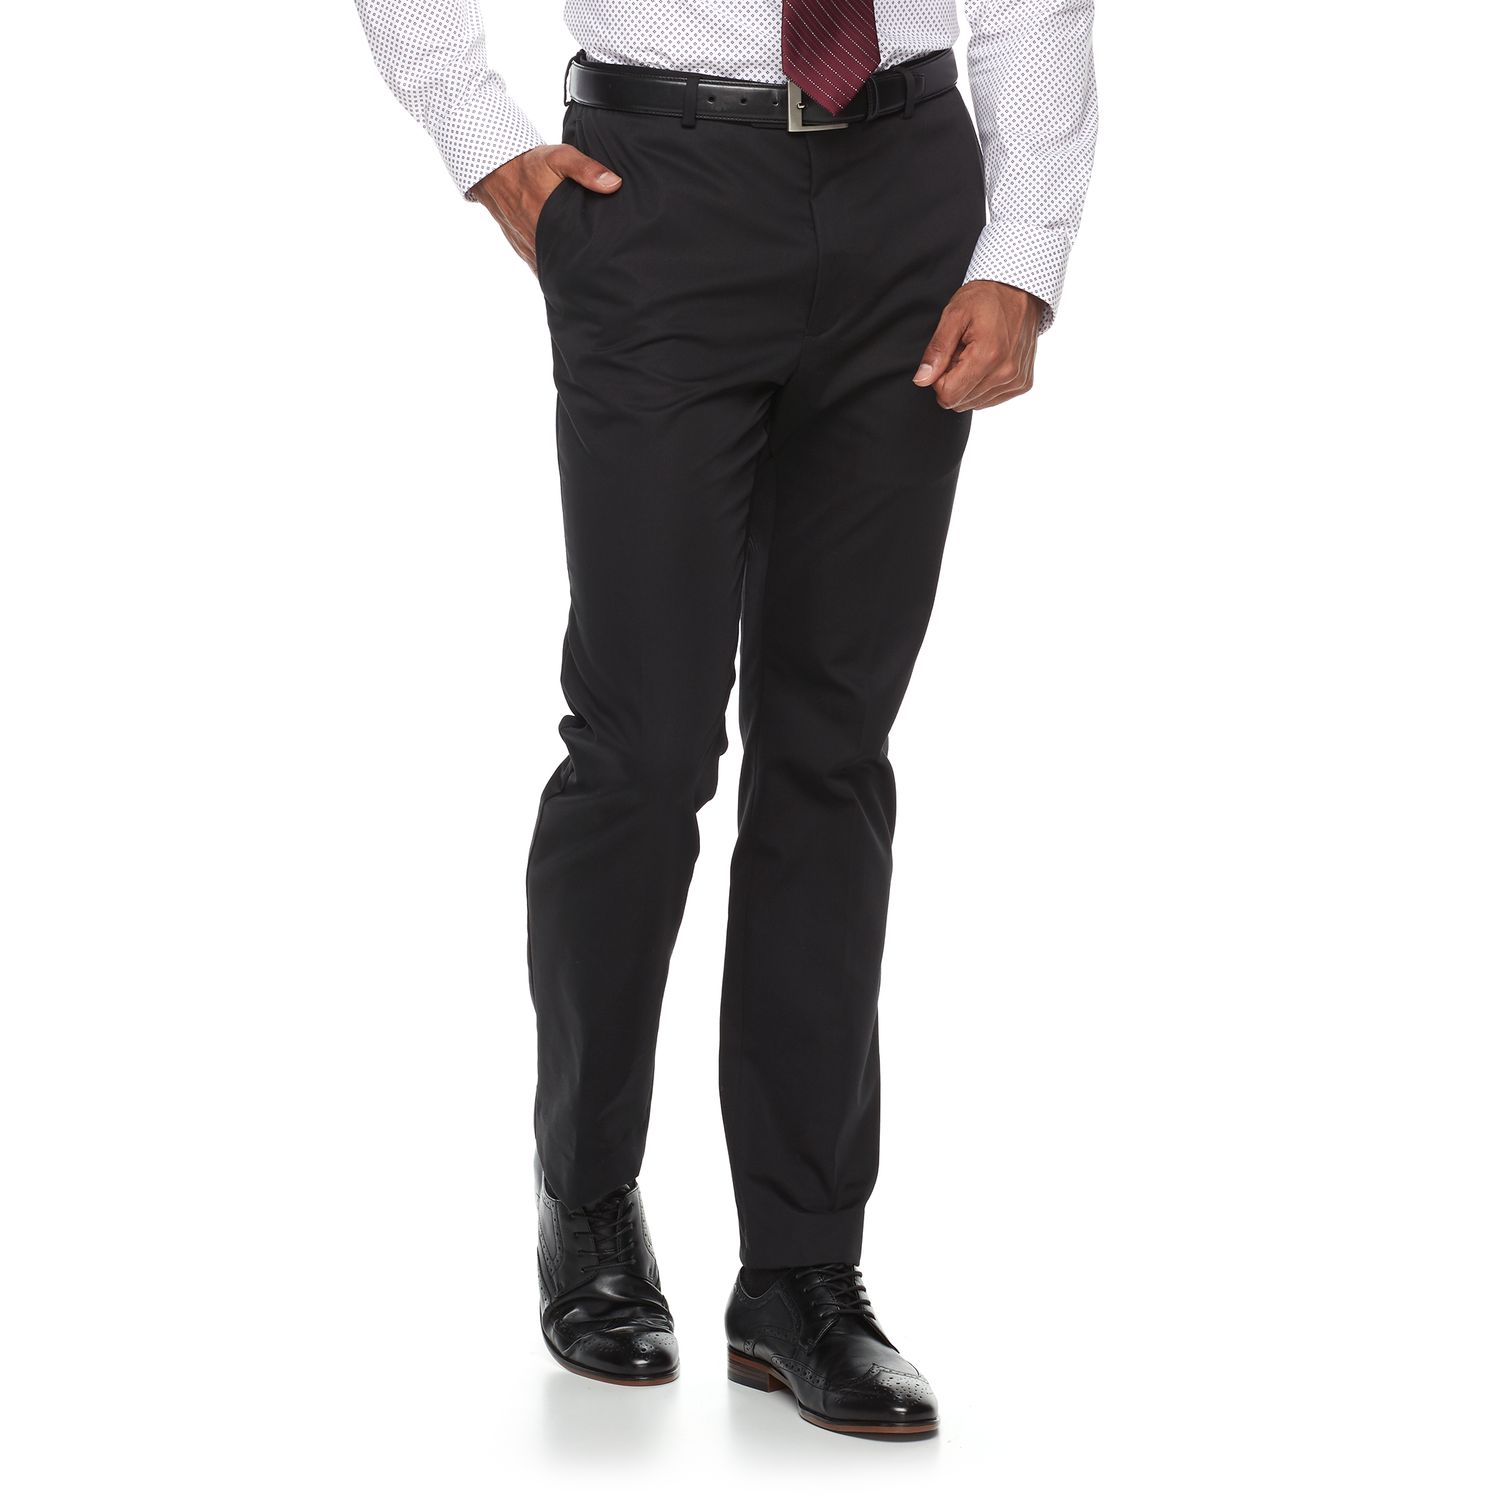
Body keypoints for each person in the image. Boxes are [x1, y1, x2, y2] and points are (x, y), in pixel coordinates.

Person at [355, 0, 1096, 1437]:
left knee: (830, 753)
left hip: (906, 189)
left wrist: (1024, 247)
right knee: (643, 750)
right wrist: (480, 137)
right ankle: (586, 1196)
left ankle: (802, 1272)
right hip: (659, 191)